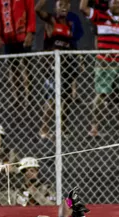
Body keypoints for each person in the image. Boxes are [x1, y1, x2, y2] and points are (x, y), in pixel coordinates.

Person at [81, 0, 119, 137]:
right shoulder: (99, 16)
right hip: (104, 63)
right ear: (109, 4)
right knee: (101, 95)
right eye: (114, 2)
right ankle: (94, 127)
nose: (117, 5)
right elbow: (83, 8)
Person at [36, 0, 84, 139]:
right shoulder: (51, 20)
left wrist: (78, 60)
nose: (64, 8)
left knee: (67, 99)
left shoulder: (69, 25)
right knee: (52, 99)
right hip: (52, 66)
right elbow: (37, 9)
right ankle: (44, 130)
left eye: (66, 5)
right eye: (61, 5)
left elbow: (70, 46)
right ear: (55, 7)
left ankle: (62, 128)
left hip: (66, 65)